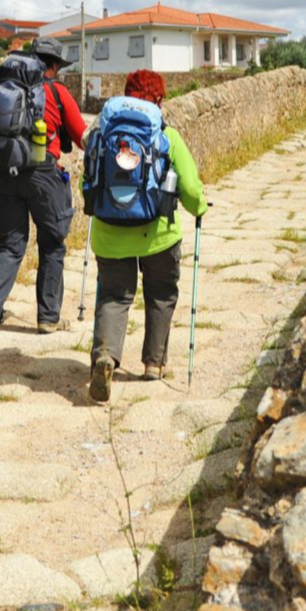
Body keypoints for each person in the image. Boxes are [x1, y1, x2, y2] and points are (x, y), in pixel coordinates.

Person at [89, 69, 207, 403]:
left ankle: (106, 356)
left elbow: (90, 174)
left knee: (114, 296)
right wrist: (200, 206)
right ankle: (154, 364)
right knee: (161, 294)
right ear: (158, 100)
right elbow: (189, 188)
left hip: (109, 231)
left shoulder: (102, 131)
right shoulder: (167, 136)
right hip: (158, 234)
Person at [0, 37, 87, 346]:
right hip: (43, 175)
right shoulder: (57, 92)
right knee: (52, 244)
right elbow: (82, 137)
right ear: (53, 65)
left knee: (10, 244)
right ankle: (48, 318)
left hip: (4, 174)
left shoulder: (3, 89)